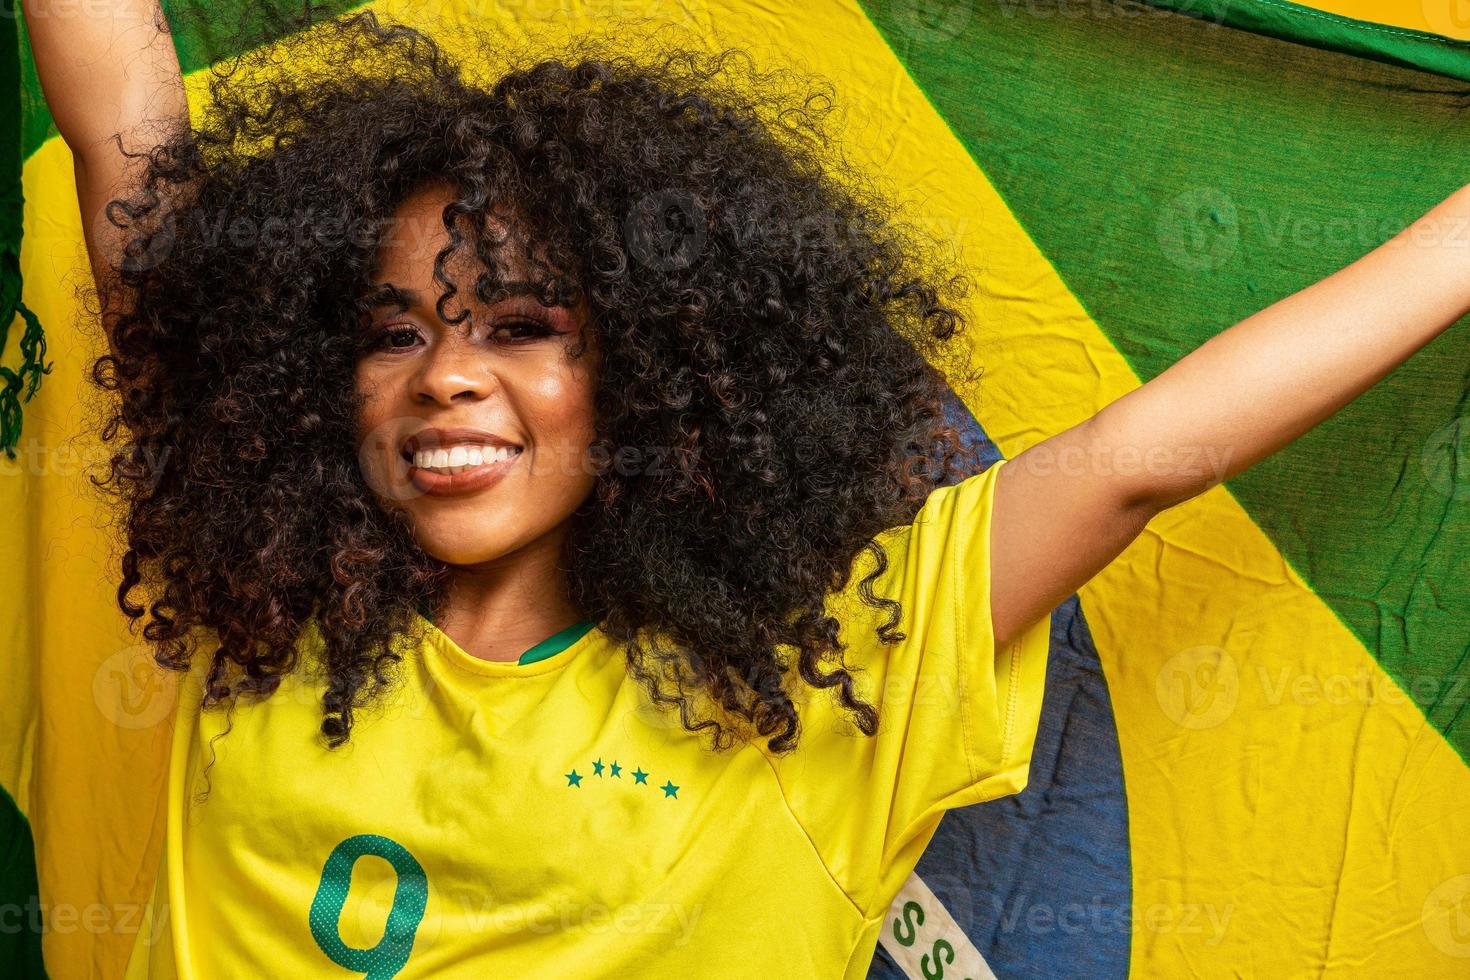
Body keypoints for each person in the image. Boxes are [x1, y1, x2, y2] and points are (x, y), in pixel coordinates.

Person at [23, 1, 1470, 977]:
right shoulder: (272, 605)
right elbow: (126, 141)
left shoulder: (829, 675)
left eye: (524, 328)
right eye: (391, 330)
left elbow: (1152, 453)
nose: (445, 376)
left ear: (660, 372)